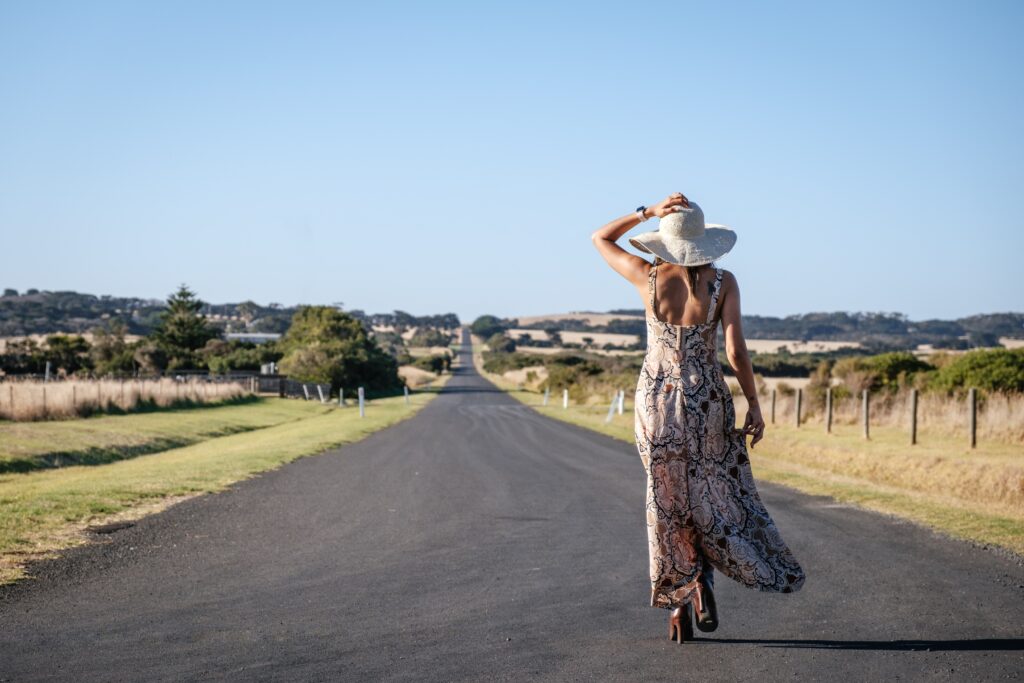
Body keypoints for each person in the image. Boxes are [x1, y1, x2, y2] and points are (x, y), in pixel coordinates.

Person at [591, 192, 805, 644]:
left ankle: (681, 597)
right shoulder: (723, 282)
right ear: (705, 243)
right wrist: (754, 403)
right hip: (706, 399)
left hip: (656, 401)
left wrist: (645, 211)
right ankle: (703, 583)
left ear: (664, 242)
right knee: (709, 493)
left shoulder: (646, 276)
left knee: (666, 500)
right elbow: (735, 352)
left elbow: (600, 238)